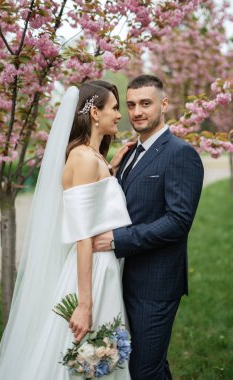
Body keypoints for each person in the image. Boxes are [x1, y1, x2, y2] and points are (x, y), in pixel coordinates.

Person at [0, 82, 134, 380]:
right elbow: (83, 234)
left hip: (104, 268)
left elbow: (97, 206)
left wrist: (112, 170)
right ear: (95, 113)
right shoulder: (82, 157)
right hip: (91, 273)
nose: (119, 115)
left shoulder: (93, 157)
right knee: (86, 359)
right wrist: (84, 304)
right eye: (115, 108)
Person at [93, 74, 204, 380]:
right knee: (144, 366)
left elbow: (178, 221)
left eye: (145, 103)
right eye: (131, 105)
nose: (137, 111)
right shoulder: (129, 153)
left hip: (155, 283)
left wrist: (117, 240)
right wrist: (111, 171)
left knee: (144, 370)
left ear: (163, 104)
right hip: (123, 279)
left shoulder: (180, 153)